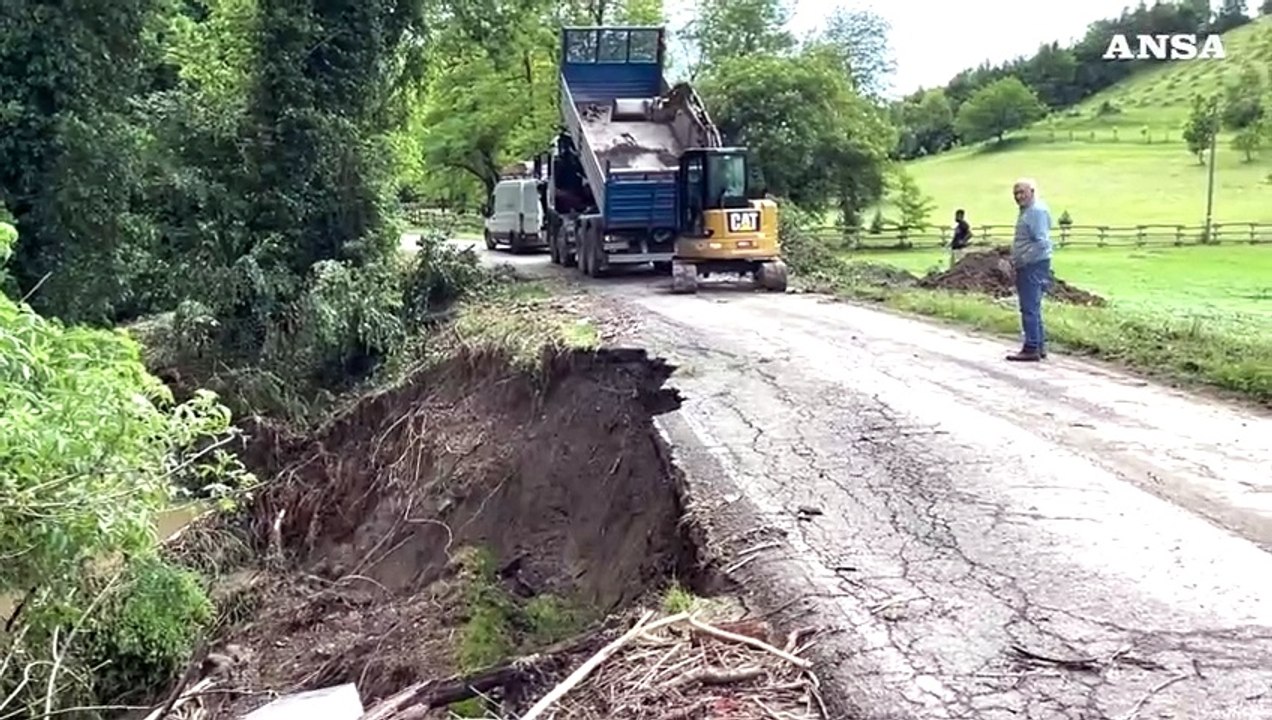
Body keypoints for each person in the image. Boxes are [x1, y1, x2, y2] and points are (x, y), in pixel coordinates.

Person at [1007, 178, 1053, 362]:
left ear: (1032, 191)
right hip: (1033, 264)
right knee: (1033, 306)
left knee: (1029, 307)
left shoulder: (1035, 212)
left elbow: (1042, 242)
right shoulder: (1029, 211)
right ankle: (1038, 345)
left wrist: (1024, 260)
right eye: (1016, 193)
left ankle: (1031, 347)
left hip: (1032, 265)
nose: (1018, 197)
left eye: (1022, 192)